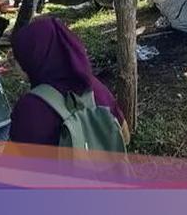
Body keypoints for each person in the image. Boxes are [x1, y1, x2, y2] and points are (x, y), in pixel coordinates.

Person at [8, 17, 130, 147]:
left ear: (34, 59)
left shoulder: (29, 109)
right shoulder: (93, 87)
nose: (15, 64)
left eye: (19, 58)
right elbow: (125, 137)